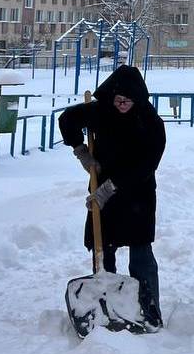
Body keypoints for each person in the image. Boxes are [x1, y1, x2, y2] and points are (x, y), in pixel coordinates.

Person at [59, 64, 166, 329]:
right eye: (118, 100)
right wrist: (80, 150)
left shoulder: (150, 122)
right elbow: (67, 120)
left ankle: (148, 308)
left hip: (137, 194)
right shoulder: (100, 111)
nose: (121, 105)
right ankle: (107, 305)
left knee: (141, 251)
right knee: (102, 247)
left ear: (138, 99)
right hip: (101, 189)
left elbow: (147, 165)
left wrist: (111, 187)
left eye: (127, 101)